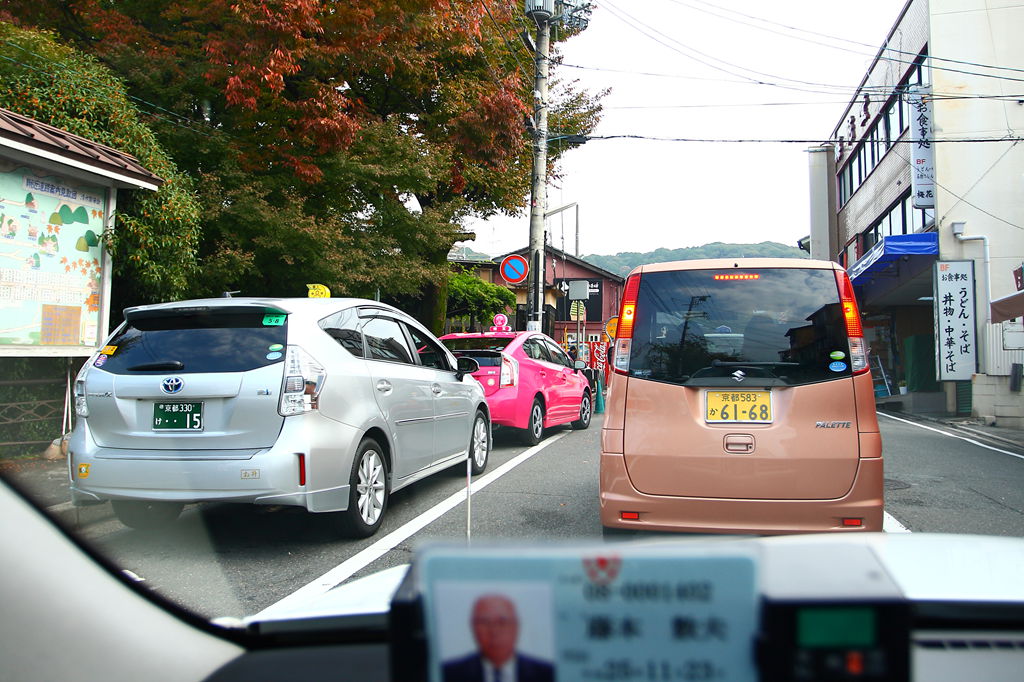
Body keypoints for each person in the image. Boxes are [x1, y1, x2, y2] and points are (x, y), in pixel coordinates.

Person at [442, 594, 555, 682]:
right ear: (472, 627)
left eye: (502, 622)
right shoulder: (448, 673)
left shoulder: (548, 673)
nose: (494, 631)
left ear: (517, 627)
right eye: (484, 622)